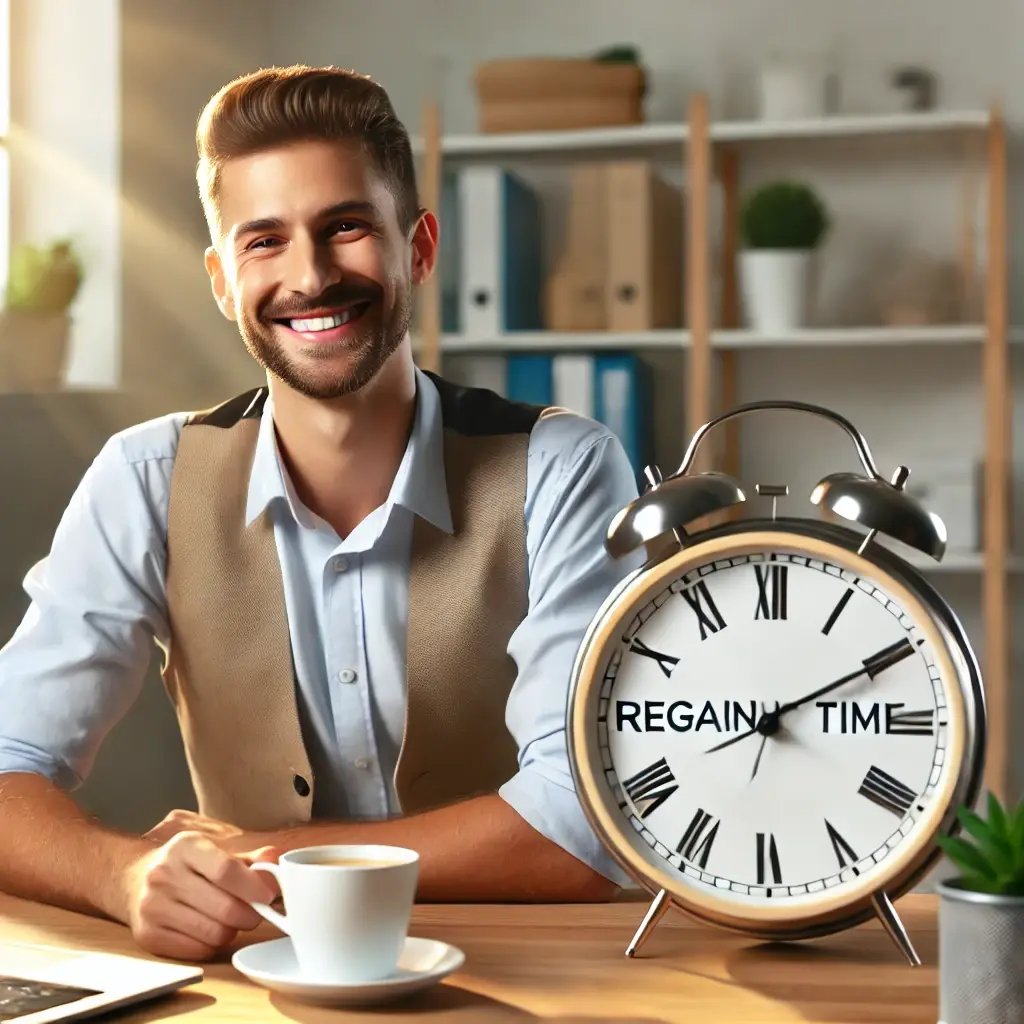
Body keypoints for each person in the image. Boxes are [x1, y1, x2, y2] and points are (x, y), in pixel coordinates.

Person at [0, 65, 642, 962]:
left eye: (346, 227)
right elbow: (6, 761)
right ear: (223, 280)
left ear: (417, 248)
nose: (310, 276)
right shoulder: (144, 478)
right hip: (248, 980)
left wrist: (257, 859)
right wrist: (124, 877)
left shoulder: (560, 468)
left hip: (533, 969)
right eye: (264, 241)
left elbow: (591, 821)